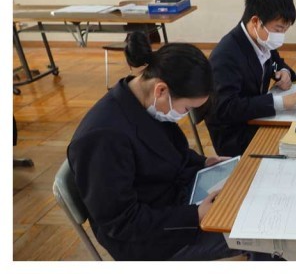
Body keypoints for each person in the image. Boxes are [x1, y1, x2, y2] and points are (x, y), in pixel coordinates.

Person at [67, 31, 242, 261]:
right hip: (150, 241)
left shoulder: (143, 101)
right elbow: (122, 222)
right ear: (161, 90)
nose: (184, 114)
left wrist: (203, 163)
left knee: (245, 197)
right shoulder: (102, 138)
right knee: (258, 232)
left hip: (175, 201)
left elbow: (171, 152)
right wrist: (194, 216)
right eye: (187, 108)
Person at [204, 0, 296, 156]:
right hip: (236, 134)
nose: (281, 36)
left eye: (285, 30)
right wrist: (281, 102)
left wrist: (284, 73)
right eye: (278, 29)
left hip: (257, 117)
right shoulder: (226, 55)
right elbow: (226, 108)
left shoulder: (261, 40)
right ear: (256, 21)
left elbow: (278, 63)